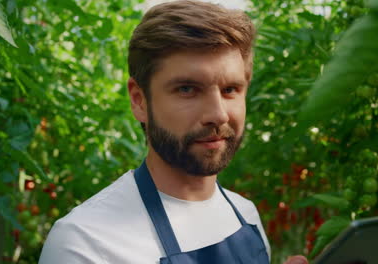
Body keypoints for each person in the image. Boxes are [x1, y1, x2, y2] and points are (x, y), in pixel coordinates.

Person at [39, 1, 308, 263]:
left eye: (230, 90)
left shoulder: (245, 215)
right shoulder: (85, 243)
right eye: (187, 89)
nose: (218, 114)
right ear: (139, 100)